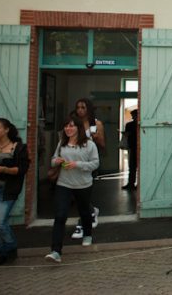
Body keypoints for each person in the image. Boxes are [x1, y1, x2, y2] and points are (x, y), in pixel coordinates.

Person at [45, 116, 99, 263]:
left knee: (84, 211)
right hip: (64, 184)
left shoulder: (89, 145)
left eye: (71, 126)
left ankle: (87, 234)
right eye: (66, 126)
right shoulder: (62, 143)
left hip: (83, 184)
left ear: (79, 128)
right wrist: (57, 161)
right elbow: (53, 159)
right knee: (60, 215)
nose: (68, 129)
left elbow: (95, 164)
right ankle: (56, 251)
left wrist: (77, 164)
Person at [0, 118, 29, 266]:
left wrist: (3, 169)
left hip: (7, 190)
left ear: (6, 130)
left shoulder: (18, 147)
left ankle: (11, 247)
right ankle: (2, 253)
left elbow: (22, 170)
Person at [70, 98, 103, 239]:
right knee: (74, 193)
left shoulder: (96, 124)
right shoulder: (72, 124)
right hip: (73, 162)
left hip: (89, 162)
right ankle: (91, 211)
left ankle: (83, 223)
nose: (80, 110)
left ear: (88, 109)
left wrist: (96, 138)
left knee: (83, 193)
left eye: (83, 107)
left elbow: (103, 145)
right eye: (78, 107)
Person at [122, 109, 138, 190]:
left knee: (132, 167)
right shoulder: (135, 125)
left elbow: (126, 135)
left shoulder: (129, 125)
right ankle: (132, 183)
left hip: (132, 147)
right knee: (133, 166)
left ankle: (131, 183)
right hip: (135, 147)